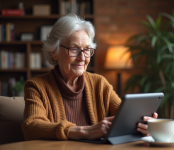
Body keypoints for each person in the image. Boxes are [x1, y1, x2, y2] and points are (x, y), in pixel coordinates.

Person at [22, 14, 158, 141]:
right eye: (74, 49)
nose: (82, 57)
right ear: (54, 53)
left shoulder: (99, 84)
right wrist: (86, 131)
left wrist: (144, 124)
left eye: (87, 50)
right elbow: (31, 127)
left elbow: (125, 116)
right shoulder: (36, 86)